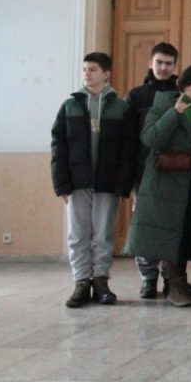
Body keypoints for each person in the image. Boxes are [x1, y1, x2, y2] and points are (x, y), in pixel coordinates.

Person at [124, 64, 191, 307]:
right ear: (183, 83)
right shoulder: (164, 102)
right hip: (164, 177)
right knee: (167, 231)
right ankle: (171, 284)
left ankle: (180, 280)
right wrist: (174, 113)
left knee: (184, 231)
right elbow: (150, 137)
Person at [52, 52, 137, 308]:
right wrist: (61, 183)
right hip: (77, 181)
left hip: (107, 183)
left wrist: (123, 184)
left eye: (92, 69)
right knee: (77, 234)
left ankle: (100, 281)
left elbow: (128, 149)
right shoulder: (70, 106)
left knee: (103, 234)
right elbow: (58, 146)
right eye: (84, 69)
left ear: (106, 74)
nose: (87, 74)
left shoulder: (121, 108)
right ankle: (81, 282)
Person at [125, 41, 180, 300]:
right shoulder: (136, 96)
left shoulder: (182, 94)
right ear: (150, 63)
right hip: (144, 171)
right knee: (145, 224)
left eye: (169, 63)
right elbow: (128, 138)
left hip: (176, 170)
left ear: (175, 66)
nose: (164, 68)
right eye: (159, 62)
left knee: (172, 225)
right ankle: (148, 278)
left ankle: (171, 277)